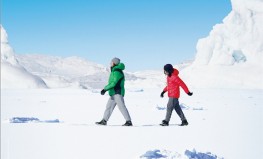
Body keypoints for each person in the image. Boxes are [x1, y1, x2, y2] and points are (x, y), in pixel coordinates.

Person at [96, 57, 133, 126]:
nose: (110, 63)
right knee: (109, 107)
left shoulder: (117, 72)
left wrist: (105, 89)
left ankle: (128, 121)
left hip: (117, 92)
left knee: (122, 107)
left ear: (114, 63)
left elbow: (114, 83)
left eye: (111, 62)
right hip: (113, 93)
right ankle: (104, 120)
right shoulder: (114, 71)